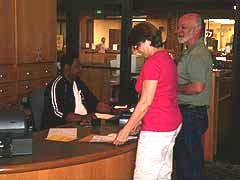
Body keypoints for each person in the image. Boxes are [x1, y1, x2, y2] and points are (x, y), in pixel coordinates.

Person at [113, 22, 182, 180]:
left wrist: (125, 130)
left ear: (147, 40)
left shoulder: (153, 62)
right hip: (172, 123)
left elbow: (145, 102)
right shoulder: (167, 58)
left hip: (157, 128)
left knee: (144, 176)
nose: (136, 50)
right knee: (162, 174)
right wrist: (139, 121)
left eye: (137, 46)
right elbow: (162, 94)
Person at [174, 13, 213, 180]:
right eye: (178, 27)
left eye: (183, 27)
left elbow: (197, 87)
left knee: (189, 164)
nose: (178, 31)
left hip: (191, 115)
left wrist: (173, 88)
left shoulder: (197, 53)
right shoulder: (190, 51)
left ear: (197, 29)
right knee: (187, 162)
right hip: (190, 114)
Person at [42, 56, 112, 129]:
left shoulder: (78, 82)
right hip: (61, 127)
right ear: (67, 67)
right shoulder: (57, 85)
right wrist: (82, 118)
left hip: (83, 124)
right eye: (77, 67)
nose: (80, 69)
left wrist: (112, 110)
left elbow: (94, 103)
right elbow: (58, 113)